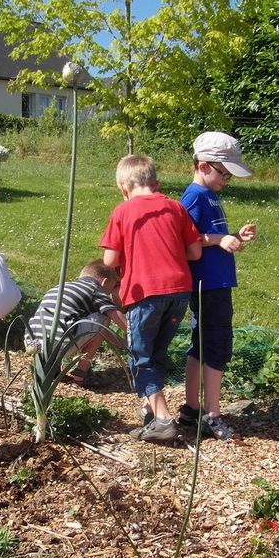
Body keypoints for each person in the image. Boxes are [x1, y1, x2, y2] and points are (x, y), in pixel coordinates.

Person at [100, 155, 202, 442]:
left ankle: (163, 418)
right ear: (155, 182)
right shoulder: (175, 207)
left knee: (140, 356)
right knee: (157, 352)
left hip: (144, 293)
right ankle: (149, 409)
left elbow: (109, 259)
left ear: (123, 186)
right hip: (179, 292)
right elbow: (195, 252)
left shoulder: (123, 211)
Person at [178, 132, 256, 441]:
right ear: (203, 165)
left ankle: (192, 410)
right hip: (207, 285)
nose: (227, 179)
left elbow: (206, 236)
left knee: (202, 345)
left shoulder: (210, 195)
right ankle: (211, 414)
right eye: (223, 173)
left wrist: (233, 236)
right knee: (216, 347)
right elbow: (184, 240)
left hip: (215, 283)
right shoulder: (194, 197)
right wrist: (217, 239)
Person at [26, 259, 128, 386]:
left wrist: (123, 343)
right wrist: (135, 337)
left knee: (59, 321)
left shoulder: (60, 287)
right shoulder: (95, 289)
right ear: (104, 282)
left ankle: (49, 368)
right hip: (60, 345)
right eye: (112, 287)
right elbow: (113, 316)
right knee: (104, 316)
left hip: (33, 343)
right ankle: (81, 375)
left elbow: (101, 331)